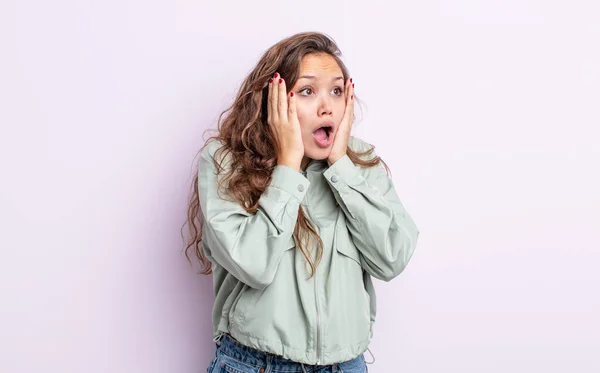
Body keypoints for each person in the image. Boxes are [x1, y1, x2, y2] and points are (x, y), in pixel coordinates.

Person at [184, 31, 420, 373]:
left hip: (346, 366)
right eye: (308, 91)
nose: (327, 106)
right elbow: (254, 264)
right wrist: (287, 166)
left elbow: (392, 258)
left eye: (337, 91)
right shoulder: (224, 162)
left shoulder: (361, 164)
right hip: (256, 365)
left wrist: (341, 168)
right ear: (274, 100)